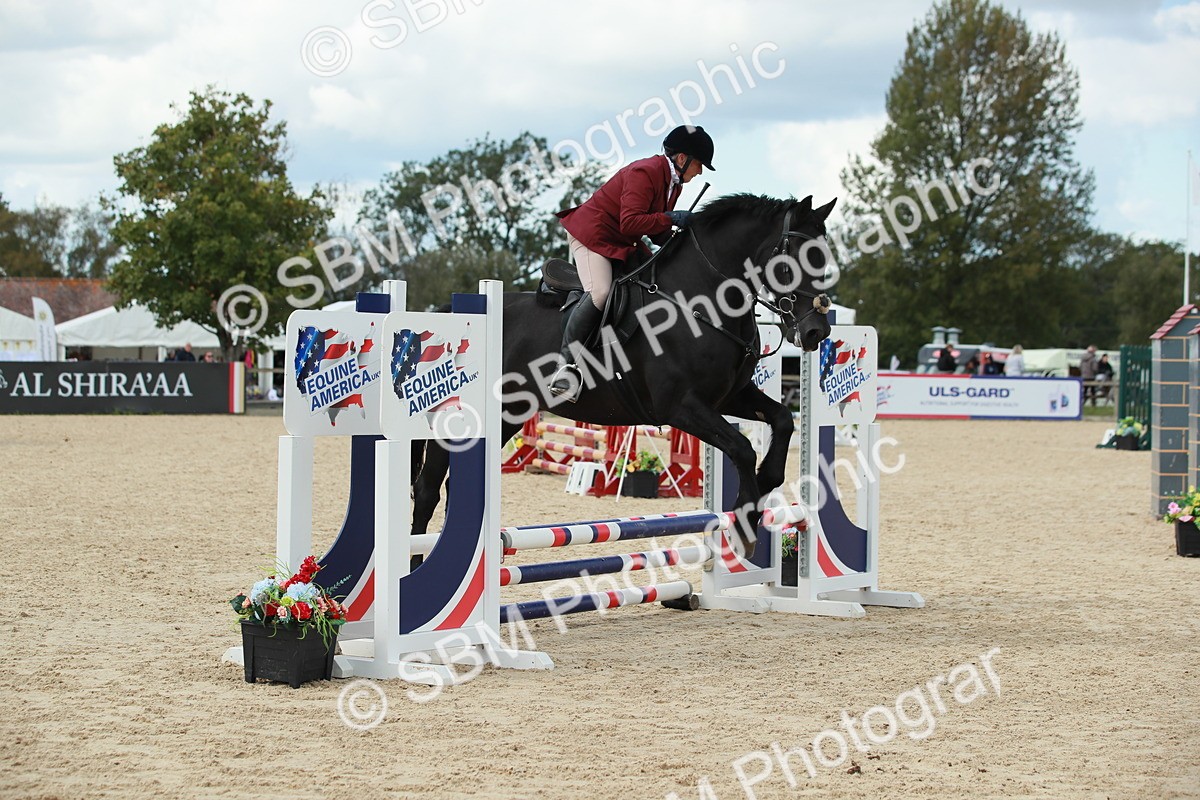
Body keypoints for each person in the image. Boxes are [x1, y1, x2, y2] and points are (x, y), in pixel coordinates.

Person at [547, 124, 715, 401]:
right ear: (682, 159)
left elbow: (656, 231)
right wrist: (672, 218)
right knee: (600, 292)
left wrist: (684, 237)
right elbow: (630, 222)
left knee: (657, 281)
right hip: (593, 235)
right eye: (699, 165)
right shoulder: (645, 172)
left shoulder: (672, 183)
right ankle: (564, 367)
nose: (699, 172)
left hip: (622, 241)